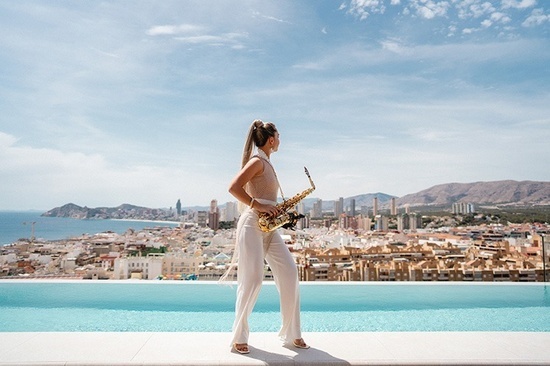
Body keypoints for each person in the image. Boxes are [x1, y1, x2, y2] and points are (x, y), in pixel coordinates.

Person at [225, 119, 309, 354]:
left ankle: (292, 333)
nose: (280, 140)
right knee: (252, 280)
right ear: (271, 140)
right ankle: (239, 337)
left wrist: (278, 209)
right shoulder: (257, 161)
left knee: (290, 272)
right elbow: (233, 187)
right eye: (279, 136)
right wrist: (257, 205)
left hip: (270, 228)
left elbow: (266, 198)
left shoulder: (268, 164)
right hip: (253, 225)